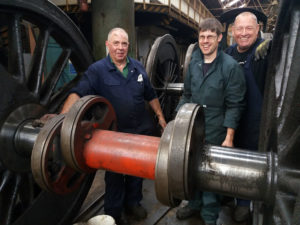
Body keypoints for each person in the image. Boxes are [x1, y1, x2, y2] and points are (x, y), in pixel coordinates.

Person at [60, 27, 166, 225]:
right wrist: (60, 120)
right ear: (108, 45)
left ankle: (134, 203)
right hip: (113, 135)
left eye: (124, 43)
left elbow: (150, 95)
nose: (120, 48)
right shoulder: (97, 70)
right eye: (115, 43)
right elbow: (78, 93)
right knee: (115, 176)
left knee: (137, 170)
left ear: (129, 46)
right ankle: (113, 212)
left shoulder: (137, 68)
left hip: (139, 131)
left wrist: (160, 116)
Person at [175, 18, 246, 225]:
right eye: (202, 37)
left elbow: (235, 105)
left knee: (210, 176)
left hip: (216, 131)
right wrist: (177, 123)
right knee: (191, 169)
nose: (205, 41)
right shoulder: (195, 62)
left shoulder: (230, 67)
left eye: (210, 37)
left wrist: (229, 136)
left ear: (220, 38)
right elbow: (186, 95)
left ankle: (209, 216)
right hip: (193, 129)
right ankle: (193, 205)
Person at [225, 11, 270, 223]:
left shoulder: (265, 52)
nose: (243, 33)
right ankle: (227, 192)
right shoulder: (228, 53)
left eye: (249, 29)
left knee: (249, 164)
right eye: (239, 29)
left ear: (258, 29)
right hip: (231, 120)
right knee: (228, 159)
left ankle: (244, 202)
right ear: (233, 31)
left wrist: (272, 45)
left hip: (255, 123)